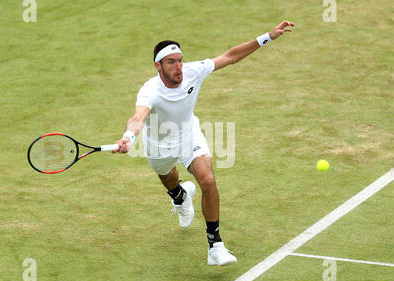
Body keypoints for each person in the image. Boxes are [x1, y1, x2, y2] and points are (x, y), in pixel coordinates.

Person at [113, 21, 295, 266]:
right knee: (169, 179)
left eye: (180, 60)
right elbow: (138, 118)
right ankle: (179, 196)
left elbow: (230, 57)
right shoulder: (150, 91)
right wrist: (128, 137)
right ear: (158, 66)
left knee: (207, 180)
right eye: (171, 62)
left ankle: (215, 246)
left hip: (189, 134)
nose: (178, 67)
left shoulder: (193, 71)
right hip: (158, 143)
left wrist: (268, 37)